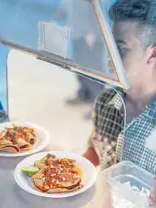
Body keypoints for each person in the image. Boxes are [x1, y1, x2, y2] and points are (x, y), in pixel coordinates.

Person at [83, 0, 156, 174]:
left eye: (121, 48)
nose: (110, 55)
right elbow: (97, 151)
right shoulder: (105, 102)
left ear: (152, 53)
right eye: (110, 45)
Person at [55, 0, 105, 104]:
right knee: (79, 65)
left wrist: (92, 32)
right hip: (77, 32)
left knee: (92, 68)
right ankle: (84, 94)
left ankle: (97, 102)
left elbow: (95, 8)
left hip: (90, 36)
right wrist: (61, 12)